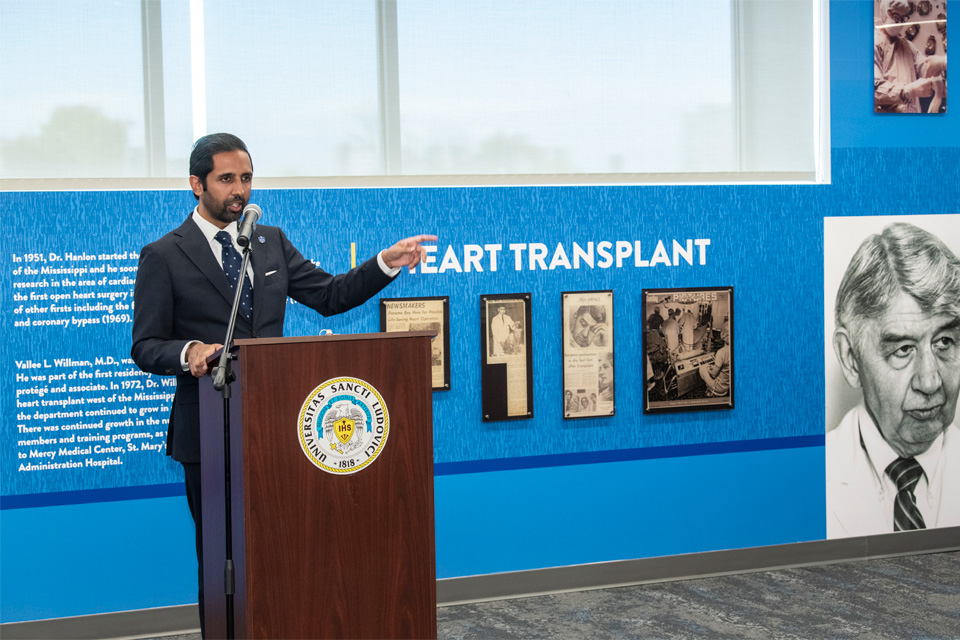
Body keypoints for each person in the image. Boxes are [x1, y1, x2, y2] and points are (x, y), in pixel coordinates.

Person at [130, 133, 435, 634]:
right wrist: (191, 353)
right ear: (196, 184)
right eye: (227, 179)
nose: (239, 191)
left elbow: (332, 296)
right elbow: (145, 345)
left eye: (245, 178)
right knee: (222, 561)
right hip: (208, 435)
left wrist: (385, 263)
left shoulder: (270, 240)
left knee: (283, 554)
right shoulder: (164, 254)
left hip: (276, 430)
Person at [827, 222, 960, 539]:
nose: (930, 383)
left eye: (944, 342)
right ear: (850, 358)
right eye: (903, 349)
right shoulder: (803, 478)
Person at [874, 0, 946, 113]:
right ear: (885, 12)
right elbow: (873, 90)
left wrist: (937, 77)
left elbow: (925, 67)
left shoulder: (908, 46)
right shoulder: (873, 43)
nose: (899, 23)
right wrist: (908, 91)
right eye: (896, 17)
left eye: (903, 19)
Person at [699, 320, 731, 397]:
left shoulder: (722, 352)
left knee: (702, 368)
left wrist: (708, 368)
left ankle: (711, 390)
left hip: (719, 388)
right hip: (727, 386)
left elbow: (713, 374)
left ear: (722, 334)